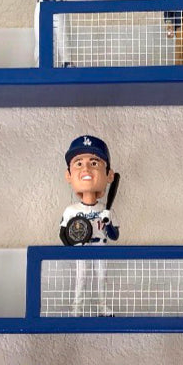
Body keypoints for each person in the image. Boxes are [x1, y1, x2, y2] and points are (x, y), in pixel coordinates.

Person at [60, 134, 119, 316]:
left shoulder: (105, 210)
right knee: (81, 278)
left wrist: (108, 222)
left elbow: (114, 236)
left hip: (101, 246)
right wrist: (73, 245)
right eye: (78, 163)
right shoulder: (71, 210)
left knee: (102, 278)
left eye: (94, 163)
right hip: (81, 248)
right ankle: (77, 308)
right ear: (69, 175)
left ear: (109, 175)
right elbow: (63, 234)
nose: (86, 168)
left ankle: (102, 307)